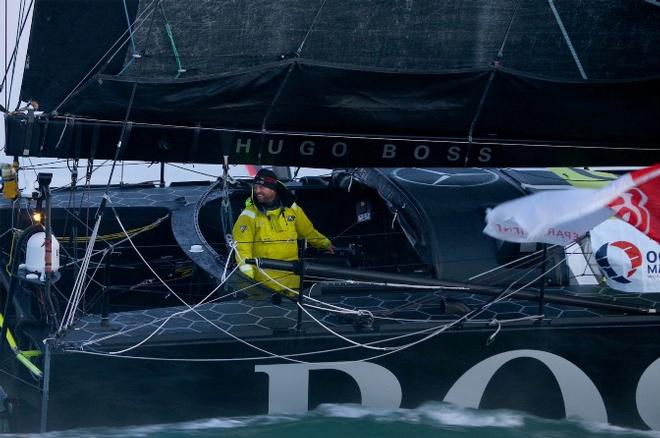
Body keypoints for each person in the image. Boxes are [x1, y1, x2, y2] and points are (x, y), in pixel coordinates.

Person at [232, 168, 334, 294]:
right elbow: (242, 248)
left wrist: (324, 243)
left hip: (293, 284)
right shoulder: (248, 216)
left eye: (262, 187)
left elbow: (307, 231)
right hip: (264, 287)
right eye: (256, 187)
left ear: (273, 189)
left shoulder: (293, 210)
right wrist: (248, 275)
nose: (257, 191)